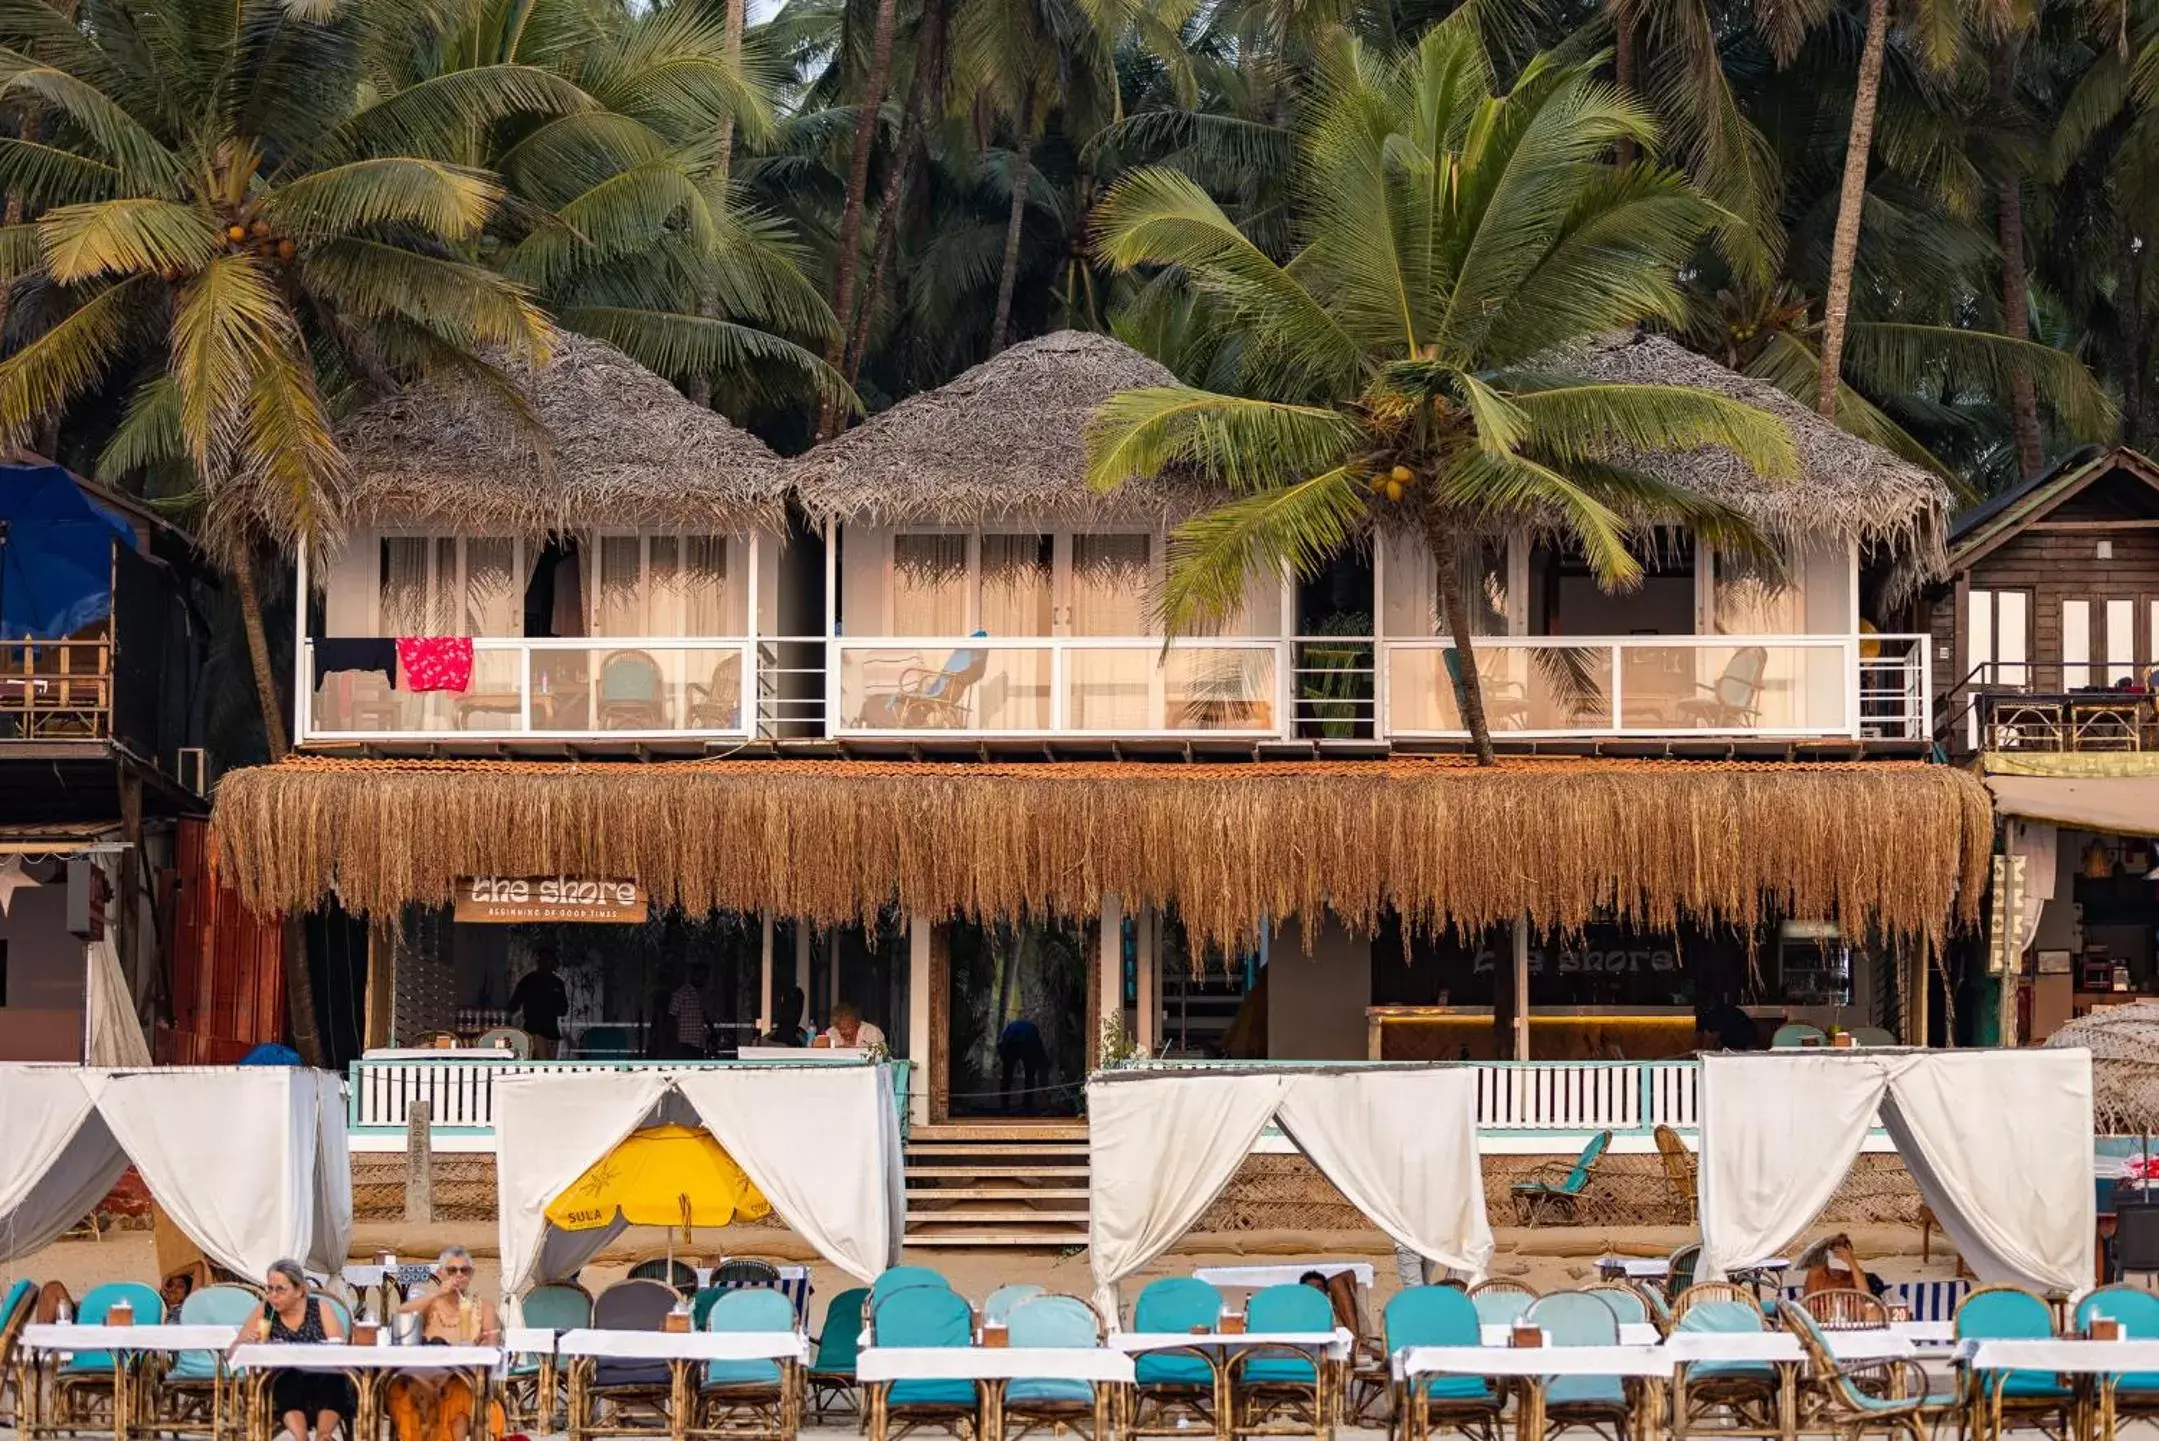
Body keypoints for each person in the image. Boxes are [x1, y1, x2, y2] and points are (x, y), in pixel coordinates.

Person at [386, 1247, 504, 1441]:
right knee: (403, 1392)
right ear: (441, 1273)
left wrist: (480, 1345)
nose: (458, 1275)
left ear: (471, 1275)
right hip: (423, 1379)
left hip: (465, 1378)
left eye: (464, 1270)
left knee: (459, 1393)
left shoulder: (483, 1306)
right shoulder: (430, 1304)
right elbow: (401, 1314)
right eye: (452, 1270)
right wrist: (436, 1294)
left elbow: (492, 1346)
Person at [227, 1259, 353, 1441]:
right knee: (285, 1379)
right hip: (284, 1379)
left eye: (280, 1289)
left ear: (300, 1290)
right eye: (270, 1289)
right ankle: (301, 1438)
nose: (273, 1295)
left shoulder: (319, 1309)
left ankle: (324, 1436)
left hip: (322, 1376)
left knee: (334, 1380)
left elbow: (339, 1349)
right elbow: (233, 1352)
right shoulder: (266, 1311)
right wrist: (247, 1342)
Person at [507, 946, 569, 1059]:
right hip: (534, 1029)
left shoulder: (558, 983)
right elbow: (514, 1005)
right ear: (539, 962)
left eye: (550, 960)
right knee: (543, 1063)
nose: (547, 963)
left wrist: (551, 1007)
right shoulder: (529, 981)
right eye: (544, 960)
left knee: (550, 1067)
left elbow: (564, 1009)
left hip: (552, 1031)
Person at [995, 1016, 1049, 1112]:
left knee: (1007, 1074)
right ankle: (1027, 1103)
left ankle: (1004, 1103)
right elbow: (1041, 1061)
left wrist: (1004, 1061)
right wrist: (1043, 1086)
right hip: (1025, 1042)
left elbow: (1002, 1045)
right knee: (1029, 1074)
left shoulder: (1012, 1027)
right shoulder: (1030, 1030)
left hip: (1013, 1041)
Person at [667, 964, 709, 1059]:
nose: (702, 979)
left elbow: (703, 1015)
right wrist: (673, 1040)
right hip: (684, 1041)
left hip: (699, 1041)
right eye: (699, 975)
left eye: (704, 976)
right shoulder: (682, 993)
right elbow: (671, 1016)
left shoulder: (702, 995)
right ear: (693, 975)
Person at [812, 1001, 886, 1051]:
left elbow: (880, 1054)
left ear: (856, 1023)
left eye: (846, 1027)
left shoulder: (872, 1032)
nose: (842, 1031)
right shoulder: (832, 1033)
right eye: (839, 1028)